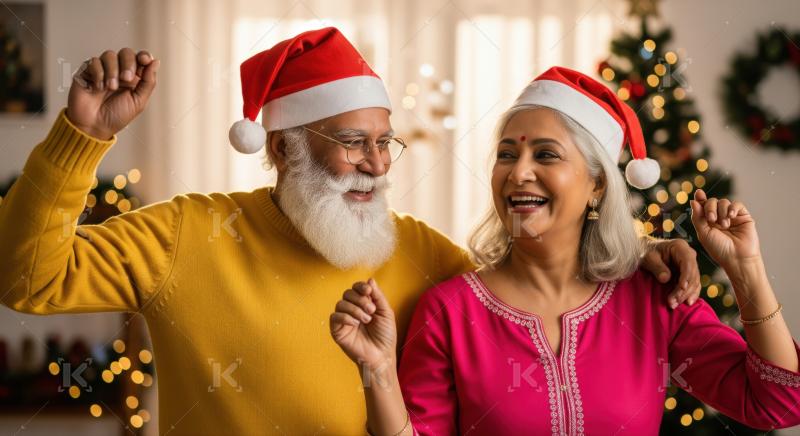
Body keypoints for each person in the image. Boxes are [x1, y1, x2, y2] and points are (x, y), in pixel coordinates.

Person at [0, 27, 699, 434]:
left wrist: (640, 258)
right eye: (350, 141)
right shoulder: (187, 233)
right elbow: (26, 279)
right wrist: (81, 139)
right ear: (281, 149)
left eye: (384, 143)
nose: (374, 165)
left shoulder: (424, 254)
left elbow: (535, 286)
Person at [330, 67, 800, 435]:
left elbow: (776, 403)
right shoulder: (449, 311)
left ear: (597, 184)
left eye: (546, 155)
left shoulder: (655, 298)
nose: (518, 174)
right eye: (507, 155)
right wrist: (378, 372)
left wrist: (746, 269)